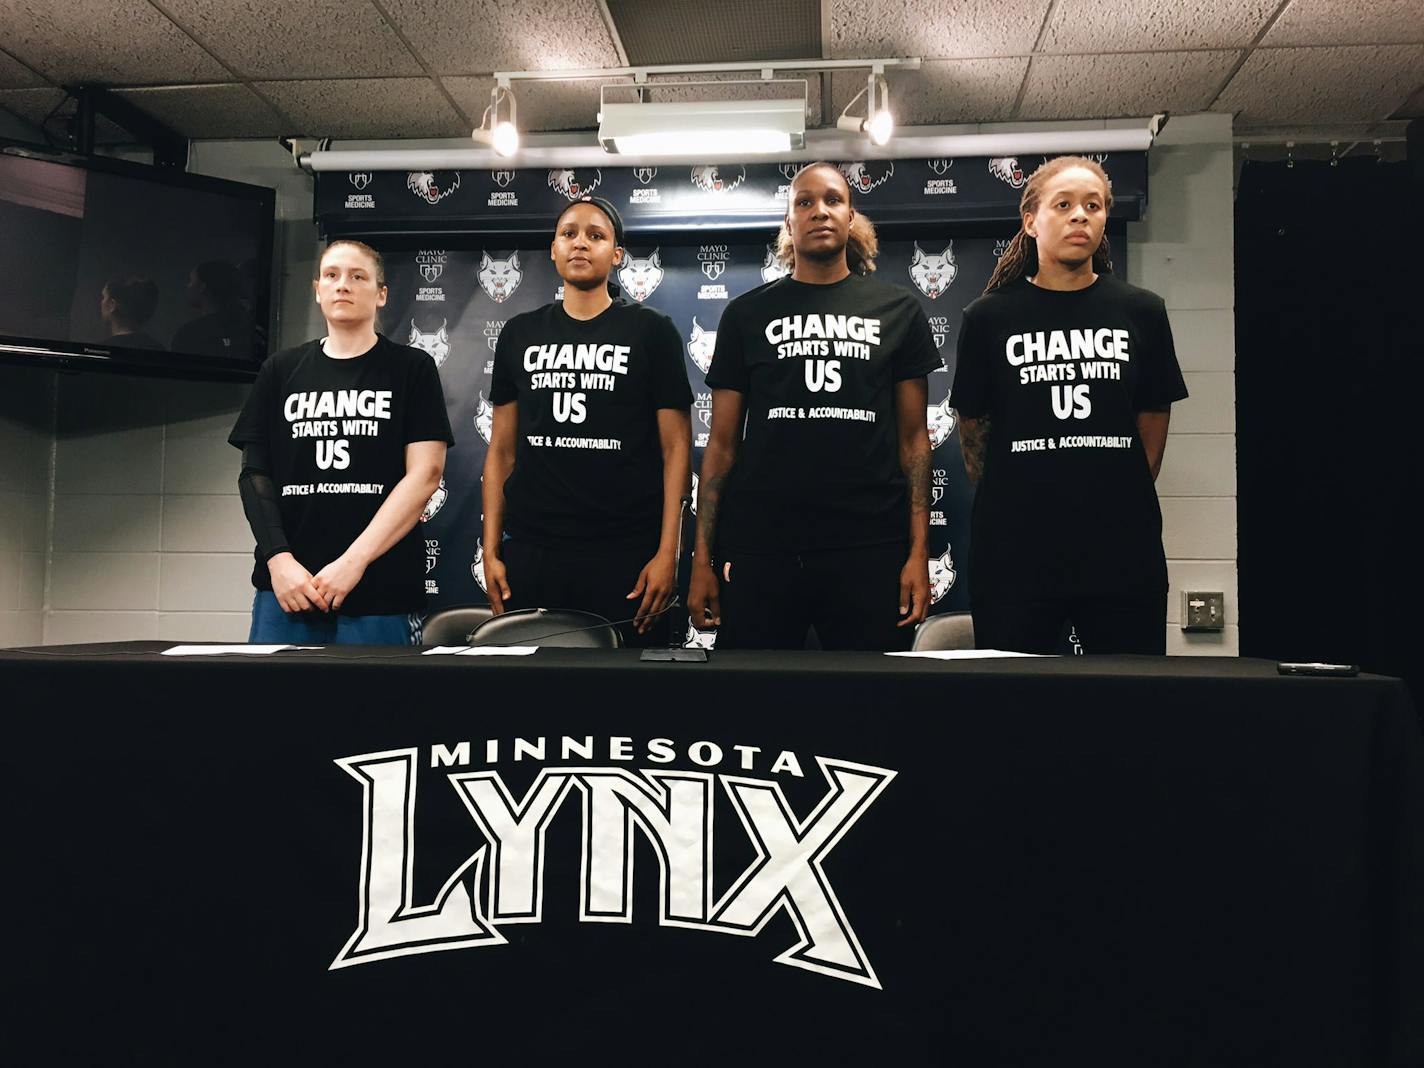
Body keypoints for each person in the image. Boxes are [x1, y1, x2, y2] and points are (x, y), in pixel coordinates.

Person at [688, 162, 939, 651]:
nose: (818, 211)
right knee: (753, 709)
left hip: (868, 545)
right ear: (788, 223)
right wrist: (702, 562)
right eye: (804, 202)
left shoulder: (900, 310)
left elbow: (914, 441)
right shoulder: (747, 314)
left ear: (851, 218)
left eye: (832, 200)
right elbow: (720, 446)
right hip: (764, 546)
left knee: (870, 707)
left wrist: (918, 553)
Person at [951, 155, 1188, 654]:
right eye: (1064, 204)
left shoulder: (1143, 311)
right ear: (1031, 220)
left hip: (1122, 548)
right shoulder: (988, 317)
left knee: (1130, 703)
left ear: (1104, 219)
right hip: (1016, 549)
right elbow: (972, 427)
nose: (1081, 215)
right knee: (1013, 707)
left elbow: (1153, 416)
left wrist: (1118, 490)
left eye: (1094, 205)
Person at [481, 196, 693, 647]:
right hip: (535, 550)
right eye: (569, 234)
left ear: (617, 255)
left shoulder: (652, 331)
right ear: (553, 250)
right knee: (533, 699)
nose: (581, 243)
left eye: (596, 236)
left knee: (625, 701)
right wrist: (491, 548)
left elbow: (677, 450)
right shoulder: (520, 333)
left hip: (625, 551)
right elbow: (500, 449)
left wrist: (666, 554)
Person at [228, 239, 452, 645]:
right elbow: (253, 475)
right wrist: (280, 562)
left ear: (381, 294)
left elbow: (426, 475)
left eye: (357, 276)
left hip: (379, 589)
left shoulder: (411, 368)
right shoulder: (280, 370)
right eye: (331, 275)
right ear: (317, 290)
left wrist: (354, 562)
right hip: (288, 589)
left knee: (378, 709)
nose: (342, 285)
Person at [173, 260, 252, 359]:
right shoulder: (247, 328)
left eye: (191, 280)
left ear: (202, 286)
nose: (188, 286)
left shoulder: (189, 335)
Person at [100, 276, 165, 350]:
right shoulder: (159, 349)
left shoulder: (101, 350)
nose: (101, 302)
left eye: (103, 297)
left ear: (112, 305)